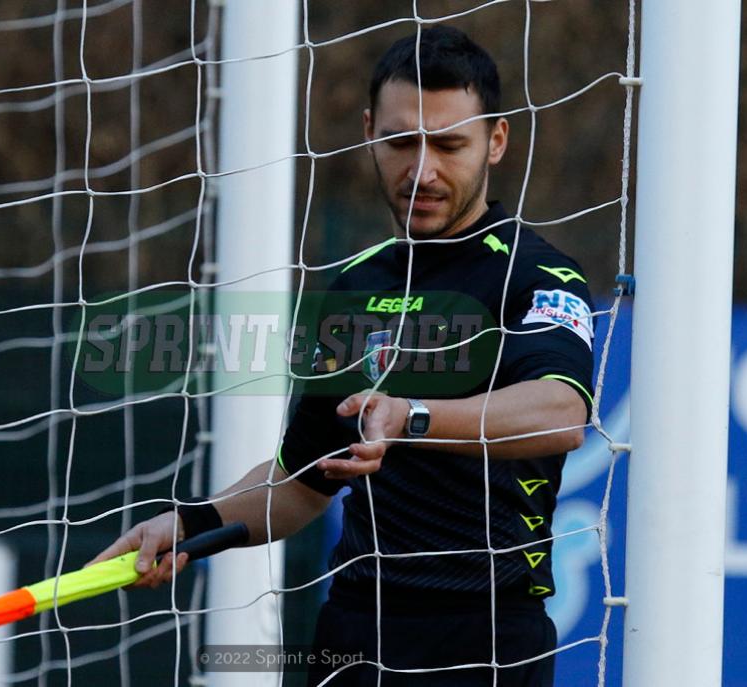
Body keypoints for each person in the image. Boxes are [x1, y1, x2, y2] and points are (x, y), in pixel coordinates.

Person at [91, 25, 595, 687]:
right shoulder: (356, 284)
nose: (422, 171)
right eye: (399, 142)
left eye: (449, 145)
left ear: (495, 141)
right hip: (354, 631)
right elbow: (301, 483)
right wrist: (189, 522)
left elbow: (561, 412)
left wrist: (411, 416)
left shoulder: (537, 274)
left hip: (488, 635)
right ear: (367, 132)